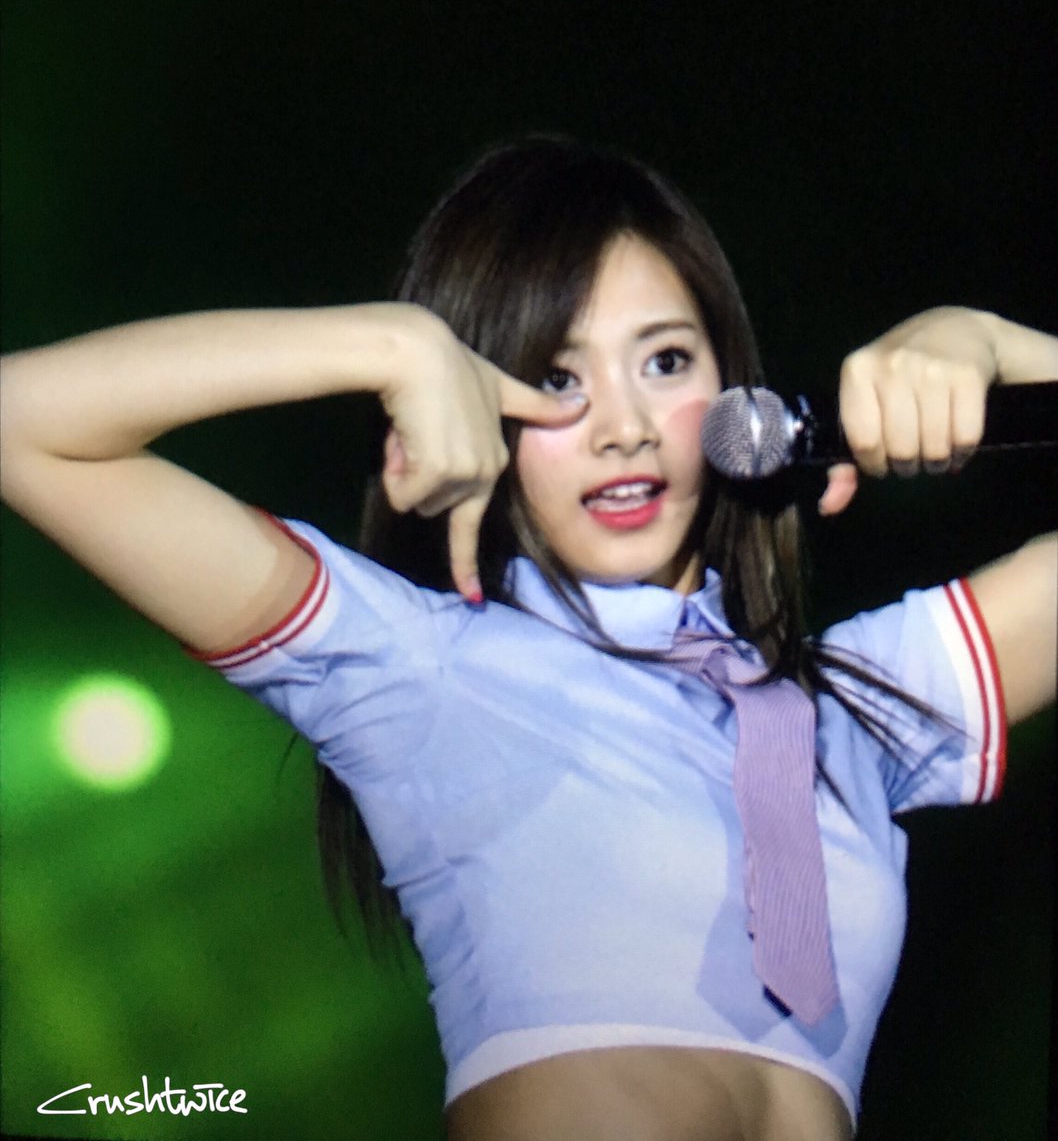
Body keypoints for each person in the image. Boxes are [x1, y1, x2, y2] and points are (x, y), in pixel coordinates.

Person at [0, 136, 1054, 1141]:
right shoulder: (421, 666)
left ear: (738, 395)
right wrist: (387, 344)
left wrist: (1000, 350)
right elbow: (21, 424)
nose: (622, 427)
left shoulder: (855, 709)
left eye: (665, 360)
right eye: (555, 379)